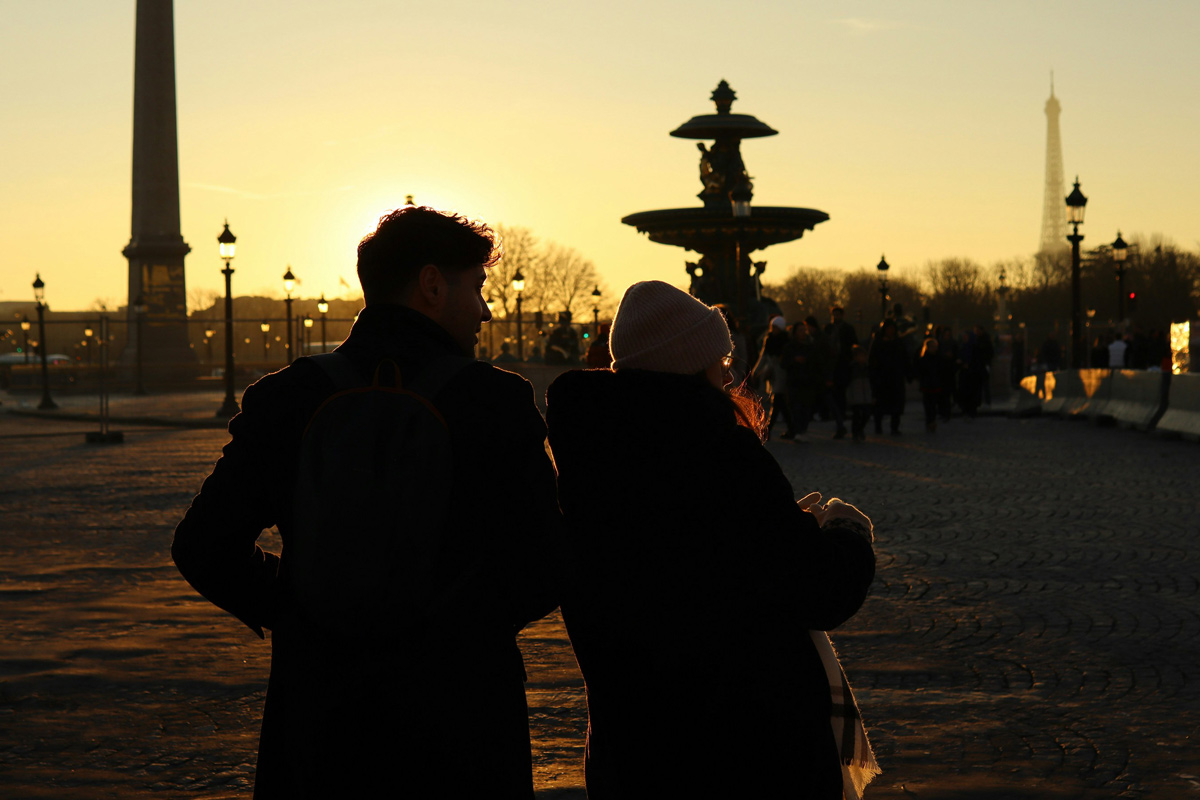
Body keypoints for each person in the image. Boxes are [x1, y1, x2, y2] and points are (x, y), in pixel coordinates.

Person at [172, 205, 562, 799]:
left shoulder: (285, 397)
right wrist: (460, 628)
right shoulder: (495, 401)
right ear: (432, 284)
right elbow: (545, 560)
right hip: (459, 716)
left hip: (322, 711)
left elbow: (203, 545)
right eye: (477, 287)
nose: (485, 310)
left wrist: (300, 610)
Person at [545, 280, 878, 799]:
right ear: (687, 363)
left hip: (634, 745)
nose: (728, 371)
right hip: (743, 746)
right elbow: (817, 589)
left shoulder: (589, 454)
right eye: (719, 359)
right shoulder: (719, 454)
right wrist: (847, 533)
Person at [752, 315, 794, 438]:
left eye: (775, 327)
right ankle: (790, 429)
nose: (773, 329)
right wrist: (755, 371)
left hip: (782, 373)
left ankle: (768, 430)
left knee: (777, 401)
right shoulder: (769, 339)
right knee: (779, 403)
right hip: (773, 373)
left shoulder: (786, 341)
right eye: (772, 327)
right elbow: (763, 356)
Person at [869, 318, 911, 435]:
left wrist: (908, 373)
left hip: (896, 378)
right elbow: (872, 360)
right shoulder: (878, 342)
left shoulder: (898, 342)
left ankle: (894, 427)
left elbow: (905, 358)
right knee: (880, 404)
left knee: (896, 405)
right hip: (882, 378)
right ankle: (878, 426)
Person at [825, 305, 859, 437]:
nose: (836, 317)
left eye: (838, 315)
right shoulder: (829, 328)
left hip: (842, 365)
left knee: (840, 392)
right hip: (834, 366)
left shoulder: (847, 329)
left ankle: (841, 416)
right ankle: (840, 417)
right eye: (834, 315)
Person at [917, 337, 942, 432]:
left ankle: (931, 421)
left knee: (933, 405)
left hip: (934, 384)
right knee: (929, 405)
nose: (935, 349)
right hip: (927, 385)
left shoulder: (937, 358)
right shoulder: (924, 359)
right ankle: (930, 422)